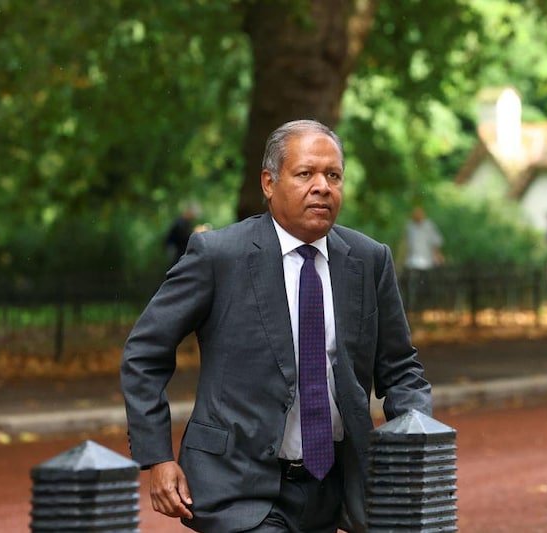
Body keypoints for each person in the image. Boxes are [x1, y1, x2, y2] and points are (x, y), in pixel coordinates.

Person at [121, 119, 433, 533]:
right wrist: (157, 457)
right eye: (305, 173)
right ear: (269, 183)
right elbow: (145, 352)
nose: (322, 186)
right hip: (238, 487)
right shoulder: (218, 256)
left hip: (333, 487)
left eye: (333, 175)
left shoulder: (369, 259)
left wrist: (413, 442)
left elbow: (400, 368)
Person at [402, 206, 444, 313]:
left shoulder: (429, 226)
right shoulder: (409, 226)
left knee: (426, 287)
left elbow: (436, 242)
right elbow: (405, 244)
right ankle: (411, 308)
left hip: (426, 262)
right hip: (411, 262)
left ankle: (428, 308)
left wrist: (437, 255)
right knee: (410, 286)